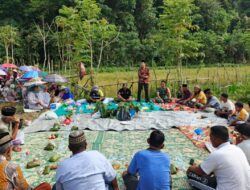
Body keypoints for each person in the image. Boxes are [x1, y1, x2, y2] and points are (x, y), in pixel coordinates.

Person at [187, 125, 250, 190]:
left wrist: (191, 168)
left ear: (216, 139)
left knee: (191, 174)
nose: (210, 140)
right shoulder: (237, 149)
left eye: (211, 137)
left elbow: (200, 171)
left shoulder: (217, 154)